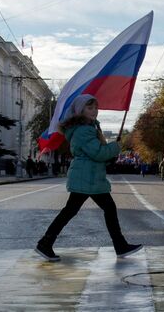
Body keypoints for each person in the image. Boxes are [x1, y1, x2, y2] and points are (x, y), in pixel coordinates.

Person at [35, 94, 142, 262]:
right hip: (87, 177)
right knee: (100, 209)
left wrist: (110, 154)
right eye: (90, 108)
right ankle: (120, 246)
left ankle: (45, 243)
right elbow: (98, 153)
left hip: (88, 176)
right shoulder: (84, 130)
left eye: (95, 108)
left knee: (72, 211)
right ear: (80, 110)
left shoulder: (89, 128)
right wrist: (115, 147)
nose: (94, 111)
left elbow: (99, 154)